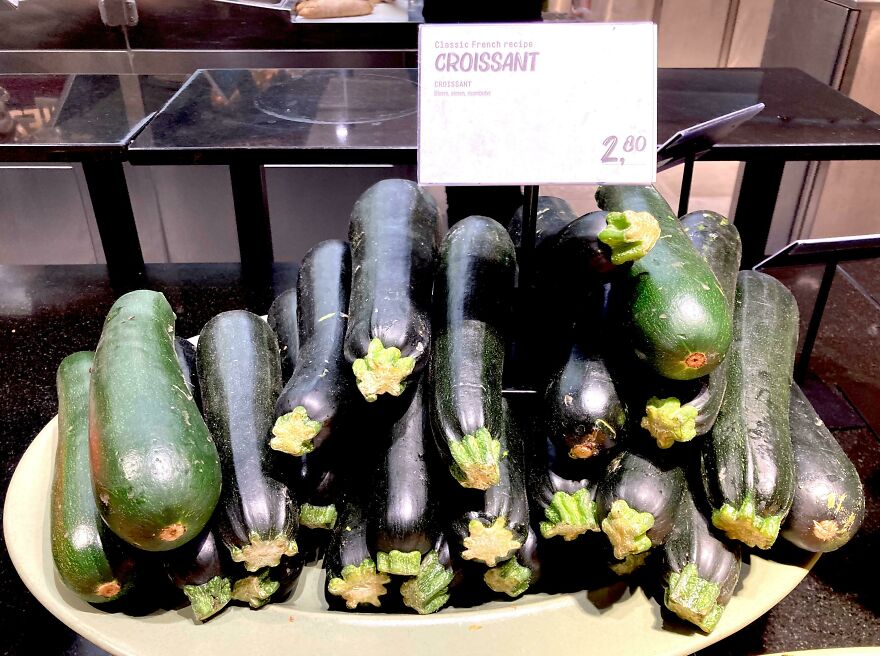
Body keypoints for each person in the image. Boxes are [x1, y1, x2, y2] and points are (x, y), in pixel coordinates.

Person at [421, 0, 543, 227]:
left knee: (505, 151)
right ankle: (475, 233)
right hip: (457, 37)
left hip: (511, 36)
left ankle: (490, 231)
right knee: (463, 157)